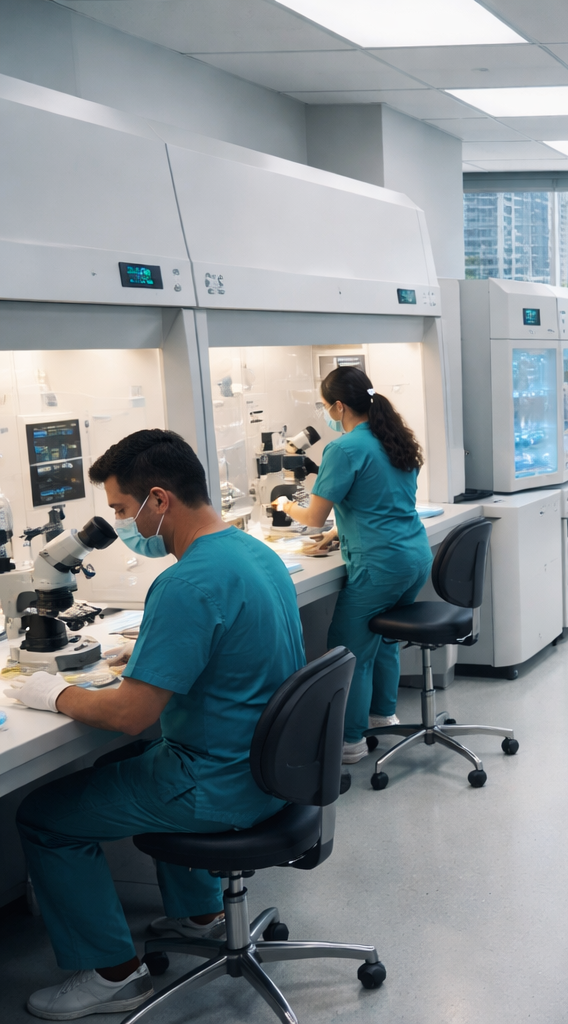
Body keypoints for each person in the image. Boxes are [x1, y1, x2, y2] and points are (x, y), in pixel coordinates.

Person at [6, 430, 305, 1020]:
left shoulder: (185, 582)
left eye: (121, 509)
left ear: (159, 500)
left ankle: (113, 975)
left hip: (217, 785)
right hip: (273, 771)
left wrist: (53, 692)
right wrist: (148, 655)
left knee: (42, 816)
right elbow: (234, 648)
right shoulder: (253, 553)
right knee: (118, 765)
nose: (121, 522)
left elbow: (129, 715)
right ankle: (201, 913)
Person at [281, 366, 432, 765]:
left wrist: (284, 505)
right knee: (383, 638)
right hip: (413, 556)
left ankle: (349, 741)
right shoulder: (393, 437)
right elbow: (380, 500)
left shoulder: (344, 449)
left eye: (324, 406)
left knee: (349, 650)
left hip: (379, 564)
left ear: (338, 406)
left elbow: (313, 517)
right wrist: (339, 532)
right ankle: (382, 716)